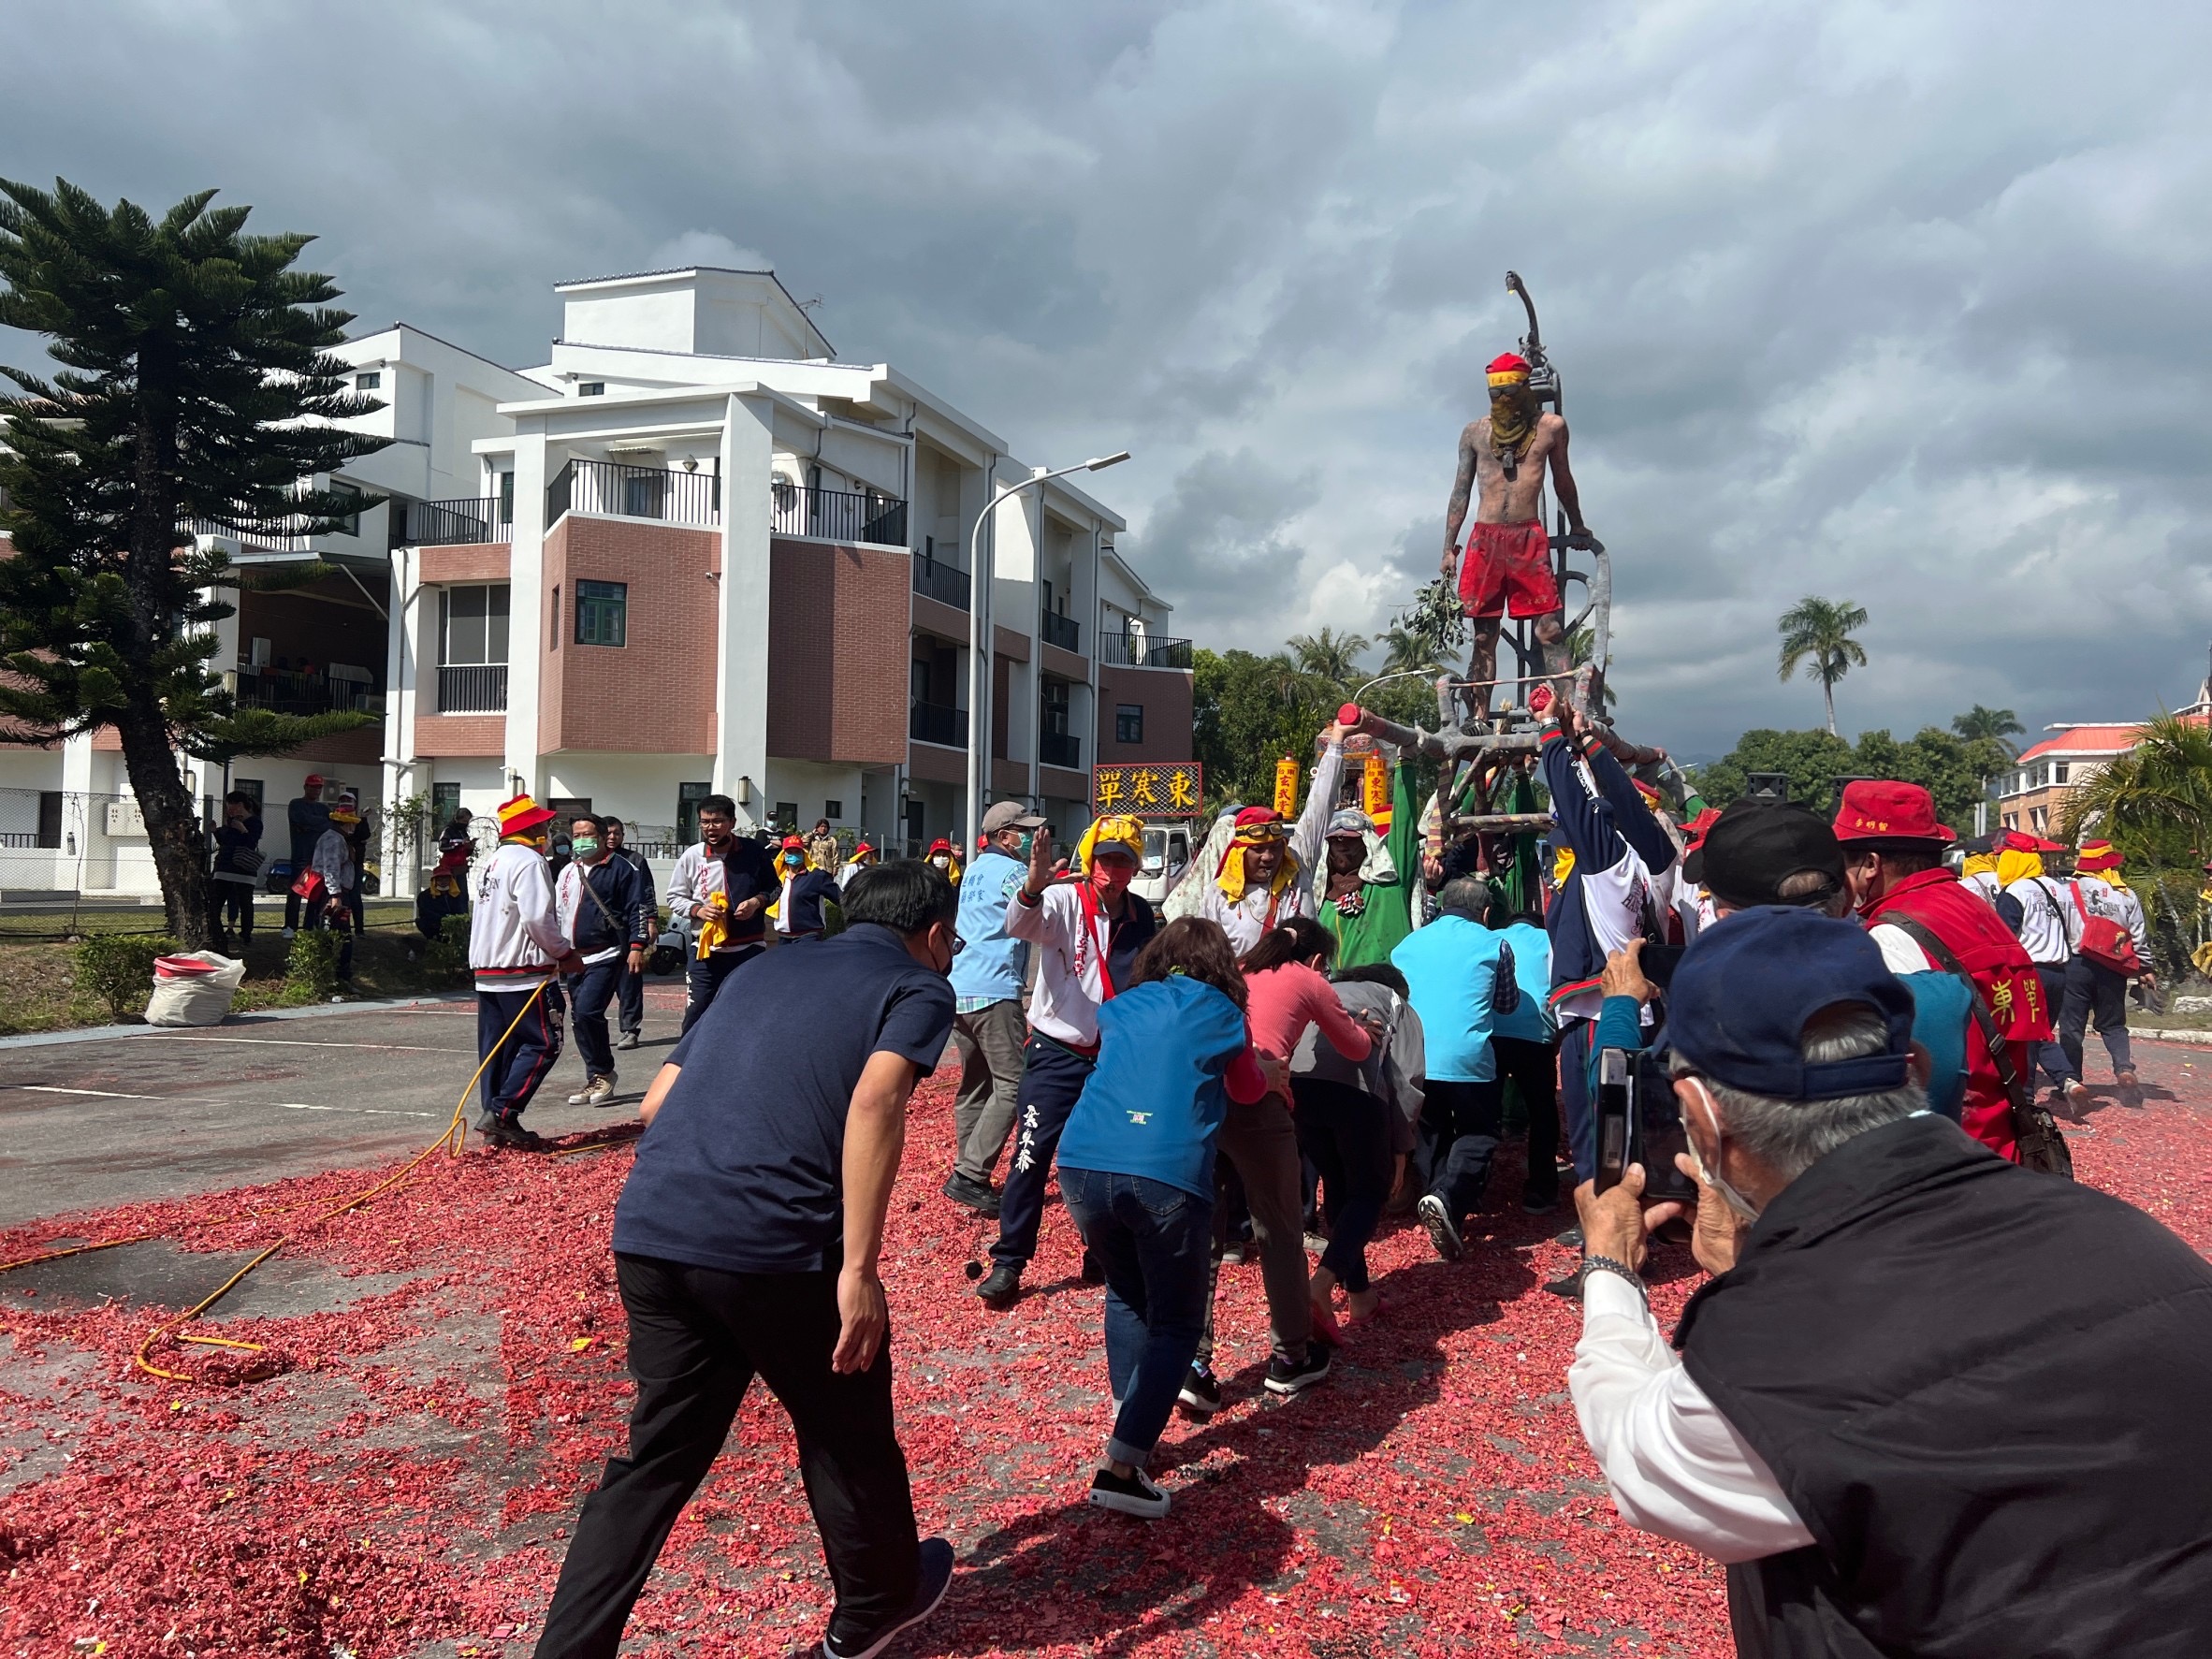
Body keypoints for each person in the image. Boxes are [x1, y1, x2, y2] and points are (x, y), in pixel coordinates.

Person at [1568, 906, 2212, 1658]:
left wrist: (1609, 1263)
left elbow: (1644, 1455)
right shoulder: (2136, 1239)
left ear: (1702, 1119)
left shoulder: (1774, 1358)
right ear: (1917, 1069)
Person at [532, 862, 960, 1659]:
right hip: (773, 1242)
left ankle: (566, 1653)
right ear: (934, 935)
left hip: (654, 1228)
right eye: (952, 942)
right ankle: (873, 1608)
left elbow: (658, 1102)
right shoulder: (917, 988)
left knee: (653, 1459)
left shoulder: (763, 965)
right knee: (846, 1427)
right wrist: (859, 1270)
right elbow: (876, 1100)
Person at [1054, 917, 1272, 1518]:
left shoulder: (1121, 1007)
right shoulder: (1226, 1014)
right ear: (1221, 965)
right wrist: (1272, 1071)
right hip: (1165, 1170)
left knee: (1126, 1295)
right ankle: (1121, 1469)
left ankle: (1134, 1423)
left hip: (1081, 1161)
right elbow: (1248, 1090)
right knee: (1177, 1323)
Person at [975, 815, 1157, 1307]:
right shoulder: (1062, 898)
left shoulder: (1141, 914)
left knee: (1110, 1160)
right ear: (1091, 859)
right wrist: (1034, 882)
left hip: (1113, 1058)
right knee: (1031, 1156)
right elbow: (1019, 923)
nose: (1112, 869)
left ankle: (1103, 1253)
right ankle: (1009, 1261)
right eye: (1105, 858)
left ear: (1134, 868)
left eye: (1123, 860)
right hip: (1056, 1053)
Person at [1836, 781, 2051, 1162]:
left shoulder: (1891, 935)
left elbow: (1906, 1069)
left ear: (1870, 864)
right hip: (2002, 1138)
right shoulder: (1974, 907)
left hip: (1945, 1152)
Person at [1531, 687, 1677, 1190]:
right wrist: (1589, 744)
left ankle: (1611, 1232)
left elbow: (1578, 805)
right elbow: (1632, 808)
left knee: (1600, 1130)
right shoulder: (1656, 863)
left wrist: (1551, 734)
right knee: (1628, 1127)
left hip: (1601, 1013)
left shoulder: (1609, 868)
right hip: (1630, 1012)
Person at [1241, 918, 1384, 1341]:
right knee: (1283, 1223)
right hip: (1266, 1091)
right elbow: (1355, 1047)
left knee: (1335, 1185)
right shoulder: (1308, 978)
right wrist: (1360, 1028)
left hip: (1222, 1082)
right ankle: (1295, 1338)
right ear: (1318, 958)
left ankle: (1358, 1293)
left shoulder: (1244, 966)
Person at [1439, 351, 1596, 722]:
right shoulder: (1475, 432)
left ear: (1526, 390)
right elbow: (1460, 490)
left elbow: (1563, 480)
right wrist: (1448, 547)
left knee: (1549, 630)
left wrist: (1576, 524)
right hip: (1485, 541)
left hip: (1528, 538)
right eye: (1498, 393)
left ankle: (1571, 710)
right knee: (1484, 635)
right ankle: (1478, 716)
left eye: (1510, 391)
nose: (1504, 399)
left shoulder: (1551, 427)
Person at [1390, 879, 1521, 1261]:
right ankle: (1448, 1197)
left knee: (1430, 1128)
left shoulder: (1407, 945)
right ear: (1485, 913)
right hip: (1468, 1059)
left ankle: (1437, 1197)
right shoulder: (1494, 944)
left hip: (1416, 1057)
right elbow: (1507, 1004)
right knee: (1478, 1131)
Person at [944, 800, 1046, 1217]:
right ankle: (970, 1174)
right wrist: (1051, 883)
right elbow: (1034, 904)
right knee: (1012, 1084)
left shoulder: (974, 868)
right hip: (993, 990)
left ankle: (967, 1169)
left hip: (959, 987)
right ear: (1005, 837)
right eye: (1021, 831)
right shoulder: (1011, 871)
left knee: (974, 1084)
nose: (1026, 838)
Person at [470, 794, 588, 1152]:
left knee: (497, 1050)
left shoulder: (494, 861)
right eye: (543, 824)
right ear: (532, 827)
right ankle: (502, 1113)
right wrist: (564, 953)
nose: (547, 830)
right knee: (544, 1042)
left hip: (489, 970)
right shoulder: (529, 861)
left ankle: (497, 1121)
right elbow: (537, 918)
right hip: (524, 971)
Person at [1198, 719, 1350, 953]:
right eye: (1258, 849)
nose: (1269, 857)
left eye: (1275, 847)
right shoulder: (1218, 894)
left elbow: (1319, 807)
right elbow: (1207, 958)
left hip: (1302, 986)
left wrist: (1337, 742)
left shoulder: (1297, 866)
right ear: (1239, 852)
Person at [557, 815, 654, 1110]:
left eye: (587, 834)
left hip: (607, 954)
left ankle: (604, 1071)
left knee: (587, 1011)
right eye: (576, 835)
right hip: (574, 957)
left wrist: (637, 946)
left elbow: (637, 907)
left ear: (601, 837)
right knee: (578, 1019)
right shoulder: (568, 872)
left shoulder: (624, 869)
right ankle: (596, 1076)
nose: (581, 840)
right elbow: (557, 911)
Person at [665, 796, 776, 1033]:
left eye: (717, 821)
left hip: (748, 949)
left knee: (747, 1011)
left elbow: (774, 888)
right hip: (705, 950)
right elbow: (674, 897)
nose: (710, 828)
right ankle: (689, 1065)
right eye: (705, 822)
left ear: (732, 822)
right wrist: (698, 910)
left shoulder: (754, 851)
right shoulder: (692, 856)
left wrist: (757, 902)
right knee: (697, 1012)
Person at [1994, 840, 2090, 1111]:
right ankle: (2068, 1079)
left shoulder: (2014, 891)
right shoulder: (2059, 888)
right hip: (2060, 972)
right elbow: (2075, 931)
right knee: (2042, 1033)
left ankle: (2024, 1098)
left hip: (2028, 972)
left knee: (2025, 1035)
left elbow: (2005, 938)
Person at [2058, 838, 2150, 1094]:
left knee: (2072, 1025)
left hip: (2075, 964)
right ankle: (2123, 1067)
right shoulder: (2126, 895)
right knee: (2113, 1023)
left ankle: (2073, 1079)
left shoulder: (2066, 891)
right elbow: (2138, 937)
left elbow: (2058, 929)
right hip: (2112, 965)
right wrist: (2145, 968)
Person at [1489, 903, 1562, 1213]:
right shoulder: (1550, 940)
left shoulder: (1493, 937)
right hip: (1535, 1036)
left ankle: (1476, 1183)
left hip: (1493, 1032)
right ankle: (1541, 1189)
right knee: (1543, 1112)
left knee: (1485, 1110)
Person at [1314, 773, 1419, 970]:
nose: (1343, 846)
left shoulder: (1390, 882)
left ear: (1367, 844)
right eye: (1336, 841)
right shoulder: (1319, 899)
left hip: (1385, 991)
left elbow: (1405, 825)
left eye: (1351, 840)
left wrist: (1405, 762)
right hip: (1337, 993)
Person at [602, 818, 653, 1051]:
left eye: (617, 833)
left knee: (629, 982)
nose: (613, 838)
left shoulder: (635, 860)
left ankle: (630, 1030)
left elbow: (647, 894)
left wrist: (651, 922)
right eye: (609, 833)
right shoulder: (588, 861)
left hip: (626, 930)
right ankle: (592, 1028)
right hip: (598, 936)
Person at [310, 804, 362, 982]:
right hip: (333, 894)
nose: (353, 827)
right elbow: (330, 868)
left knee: (341, 933)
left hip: (338, 892)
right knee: (337, 933)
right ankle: (337, 975)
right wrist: (335, 896)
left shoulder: (339, 838)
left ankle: (338, 975)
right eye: (351, 823)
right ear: (344, 823)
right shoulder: (333, 839)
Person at [209, 790, 263, 952]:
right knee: (217, 902)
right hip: (224, 868)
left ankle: (246, 934)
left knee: (245, 903)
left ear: (240, 805)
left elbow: (250, 843)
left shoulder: (254, 822)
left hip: (244, 869)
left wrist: (243, 829)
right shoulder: (231, 821)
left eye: (230, 806)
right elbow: (226, 842)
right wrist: (216, 832)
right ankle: (215, 932)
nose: (229, 810)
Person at [769, 834, 844, 942]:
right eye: (790, 852)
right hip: (784, 938)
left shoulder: (816, 876)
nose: (793, 855)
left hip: (808, 936)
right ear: (783, 855)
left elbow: (840, 898)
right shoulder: (778, 877)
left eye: (797, 852)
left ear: (803, 853)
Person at [283, 773, 331, 937]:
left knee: (317, 895)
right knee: (296, 893)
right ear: (305, 787)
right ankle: (290, 927)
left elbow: (328, 825)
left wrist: (310, 825)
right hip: (300, 855)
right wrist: (318, 824)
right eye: (313, 786)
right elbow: (301, 820)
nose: (316, 790)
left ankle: (310, 926)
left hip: (318, 858)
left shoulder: (324, 808)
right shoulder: (295, 804)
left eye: (319, 787)